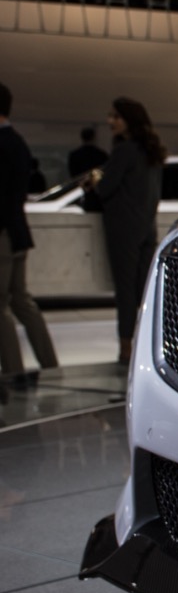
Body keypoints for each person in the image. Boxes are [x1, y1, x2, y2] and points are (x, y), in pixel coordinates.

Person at [88, 97, 164, 364]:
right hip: (146, 226)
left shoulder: (124, 151)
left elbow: (106, 189)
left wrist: (96, 180)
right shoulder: (152, 151)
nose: (110, 121)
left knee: (125, 290)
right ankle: (149, 345)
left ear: (129, 120)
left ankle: (126, 348)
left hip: (123, 229)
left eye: (115, 116)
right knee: (144, 290)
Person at [0, 81, 61, 388]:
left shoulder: (2, 143)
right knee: (22, 301)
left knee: (3, 307)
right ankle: (50, 365)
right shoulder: (17, 142)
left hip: (3, 235)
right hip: (17, 232)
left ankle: (13, 372)